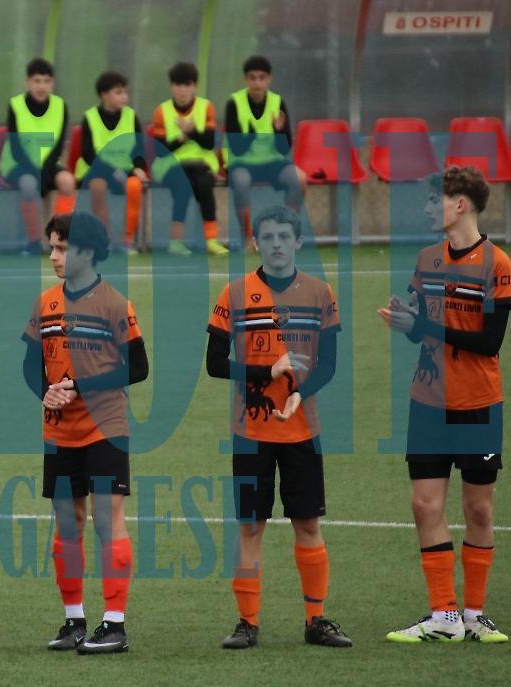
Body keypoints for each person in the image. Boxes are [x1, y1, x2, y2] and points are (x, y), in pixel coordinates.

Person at [206, 205, 351, 649]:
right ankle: (247, 622)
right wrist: (267, 371)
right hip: (250, 434)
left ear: (298, 242)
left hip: (302, 431)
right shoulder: (234, 294)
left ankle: (316, 619)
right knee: (250, 527)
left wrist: (299, 394)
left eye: (284, 236)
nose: (276, 244)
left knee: (307, 523)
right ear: (255, 243)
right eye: (267, 237)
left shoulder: (320, 294)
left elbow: (328, 365)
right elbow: (215, 364)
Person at [379, 166, 511, 643]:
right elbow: (420, 330)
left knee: (479, 510)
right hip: (428, 401)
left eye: (436, 200)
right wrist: (407, 322)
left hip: (477, 404)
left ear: (460, 204)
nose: (429, 208)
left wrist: (426, 326)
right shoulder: (427, 260)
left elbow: (488, 342)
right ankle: (444, 617)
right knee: (424, 504)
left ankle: (474, 614)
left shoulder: (498, 265)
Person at [21, 212, 149, 654]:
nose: (54, 256)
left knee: (106, 521)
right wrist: (46, 392)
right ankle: (74, 619)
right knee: (67, 524)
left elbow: (138, 367)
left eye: (63, 248)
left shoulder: (114, 304)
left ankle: (114, 624)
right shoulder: (45, 303)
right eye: (52, 247)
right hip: (60, 432)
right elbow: (30, 366)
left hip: (105, 428)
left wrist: (78, 386)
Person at [223, 55, 306, 245]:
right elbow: (237, 148)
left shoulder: (278, 102)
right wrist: (252, 133)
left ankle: (286, 234)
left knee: (300, 179)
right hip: (242, 163)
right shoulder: (234, 103)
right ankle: (247, 239)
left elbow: (284, 148)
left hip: (272, 162)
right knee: (241, 182)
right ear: (245, 79)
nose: (257, 83)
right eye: (252, 78)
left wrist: (279, 131)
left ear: (269, 79)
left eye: (262, 78)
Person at [0, 57, 77, 255]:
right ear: (28, 82)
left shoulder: (60, 106)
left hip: (48, 164)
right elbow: (16, 148)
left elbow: (58, 146)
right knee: (29, 185)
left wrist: (45, 172)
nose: (41, 86)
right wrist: (36, 173)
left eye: (46, 81)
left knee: (68, 182)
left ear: (53, 83)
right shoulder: (16, 105)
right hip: (18, 164)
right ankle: (33, 242)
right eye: (36, 81)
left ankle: (59, 238)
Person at [150, 61, 228, 257]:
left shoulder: (206, 107)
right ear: (171, 86)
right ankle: (176, 242)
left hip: (201, 163)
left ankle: (211, 241)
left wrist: (192, 131)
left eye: (187, 85)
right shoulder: (161, 111)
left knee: (204, 184)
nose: (182, 90)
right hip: (171, 164)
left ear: (195, 86)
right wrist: (182, 137)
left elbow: (209, 143)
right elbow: (161, 151)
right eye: (178, 85)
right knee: (183, 185)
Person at [74, 71, 148, 253]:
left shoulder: (131, 116)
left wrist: (138, 167)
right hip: (97, 169)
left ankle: (126, 240)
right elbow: (88, 154)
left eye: (125, 92)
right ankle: (104, 239)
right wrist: (113, 171)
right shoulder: (90, 117)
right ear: (104, 95)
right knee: (98, 186)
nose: (124, 96)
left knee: (134, 186)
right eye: (118, 92)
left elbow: (139, 150)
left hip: (124, 169)